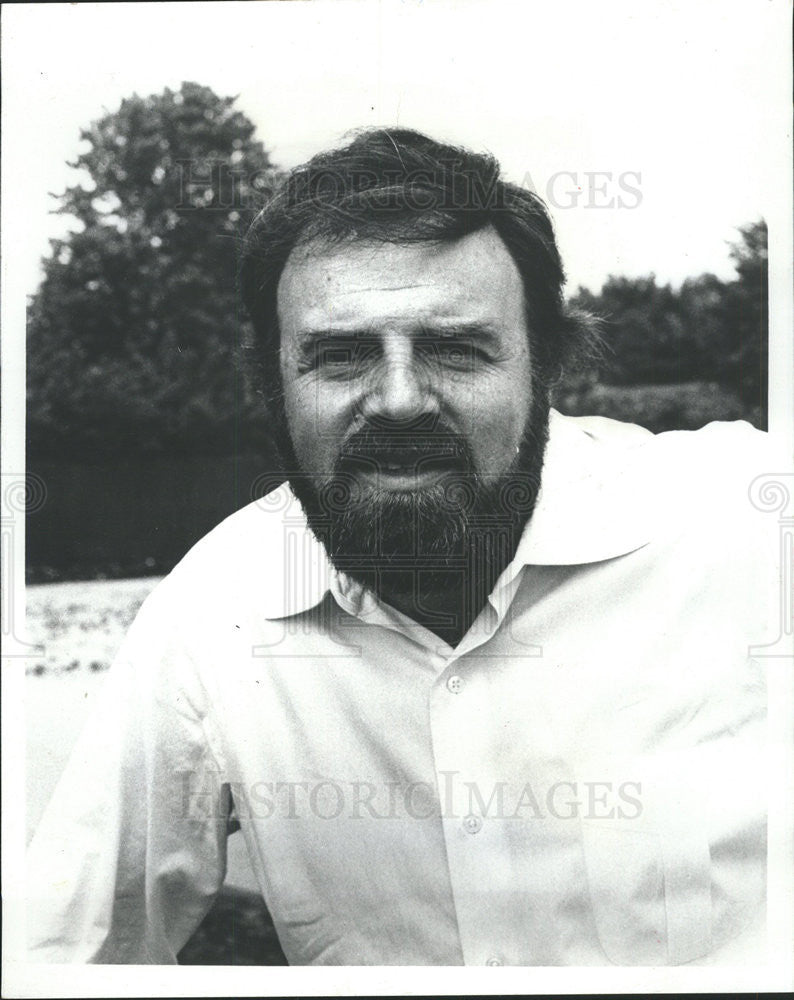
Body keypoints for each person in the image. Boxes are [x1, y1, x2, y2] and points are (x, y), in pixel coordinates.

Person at [28, 128, 778, 966]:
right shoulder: (214, 612)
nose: (397, 401)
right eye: (341, 356)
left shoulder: (741, 520)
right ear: (272, 386)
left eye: (456, 348)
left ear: (549, 366)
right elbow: (59, 953)